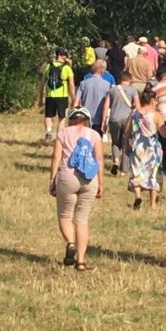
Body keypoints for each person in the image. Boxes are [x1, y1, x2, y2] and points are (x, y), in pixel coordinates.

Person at [49, 106, 104, 271]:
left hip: (68, 178)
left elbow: (56, 157)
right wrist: (101, 183)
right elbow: (99, 159)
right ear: (87, 119)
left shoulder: (63, 133)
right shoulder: (94, 135)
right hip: (89, 179)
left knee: (65, 216)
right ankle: (80, 261)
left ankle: (71, 243)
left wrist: (52, 179)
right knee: (82, 219)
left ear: (71, 118)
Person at [126, 88, 166, 211]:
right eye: (155, 100)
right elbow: (163, 134)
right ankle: (153, 204)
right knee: (153, 174)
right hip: (152, 147)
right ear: (151, 100)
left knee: (136, 172)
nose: (156, 102)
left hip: (138, 145)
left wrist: (126, 145)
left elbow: (127, 131)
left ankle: (138, 196)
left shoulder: (134, 113)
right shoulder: (156, 115)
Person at [39, 48, 75, 144]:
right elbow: (71, 85)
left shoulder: (48, 66)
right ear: (61, 55)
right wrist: (73, 98)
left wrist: (40, 98)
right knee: (62, 118)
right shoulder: (67, 68)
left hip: (50, 95)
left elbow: (42, 83)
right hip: (62, 96)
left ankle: (48, 133)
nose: (66, 57)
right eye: (65, 55)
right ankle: (59, 139)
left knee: (48, 116)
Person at [106, 72, 139, 176]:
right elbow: (137, 106)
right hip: (127, 119)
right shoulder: (133, 90)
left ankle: (116, 160)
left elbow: (106, 106)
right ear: (129, 80)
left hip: (114, 118)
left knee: (115, 142)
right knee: (126, 143)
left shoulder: (112, 90)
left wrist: (104, 121)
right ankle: (123, 170)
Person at [74, 61, 111, 134]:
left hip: (85, 117)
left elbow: (76, 101)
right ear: (102, 70)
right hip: (99, 119)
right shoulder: (107, 85)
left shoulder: (83, 83)